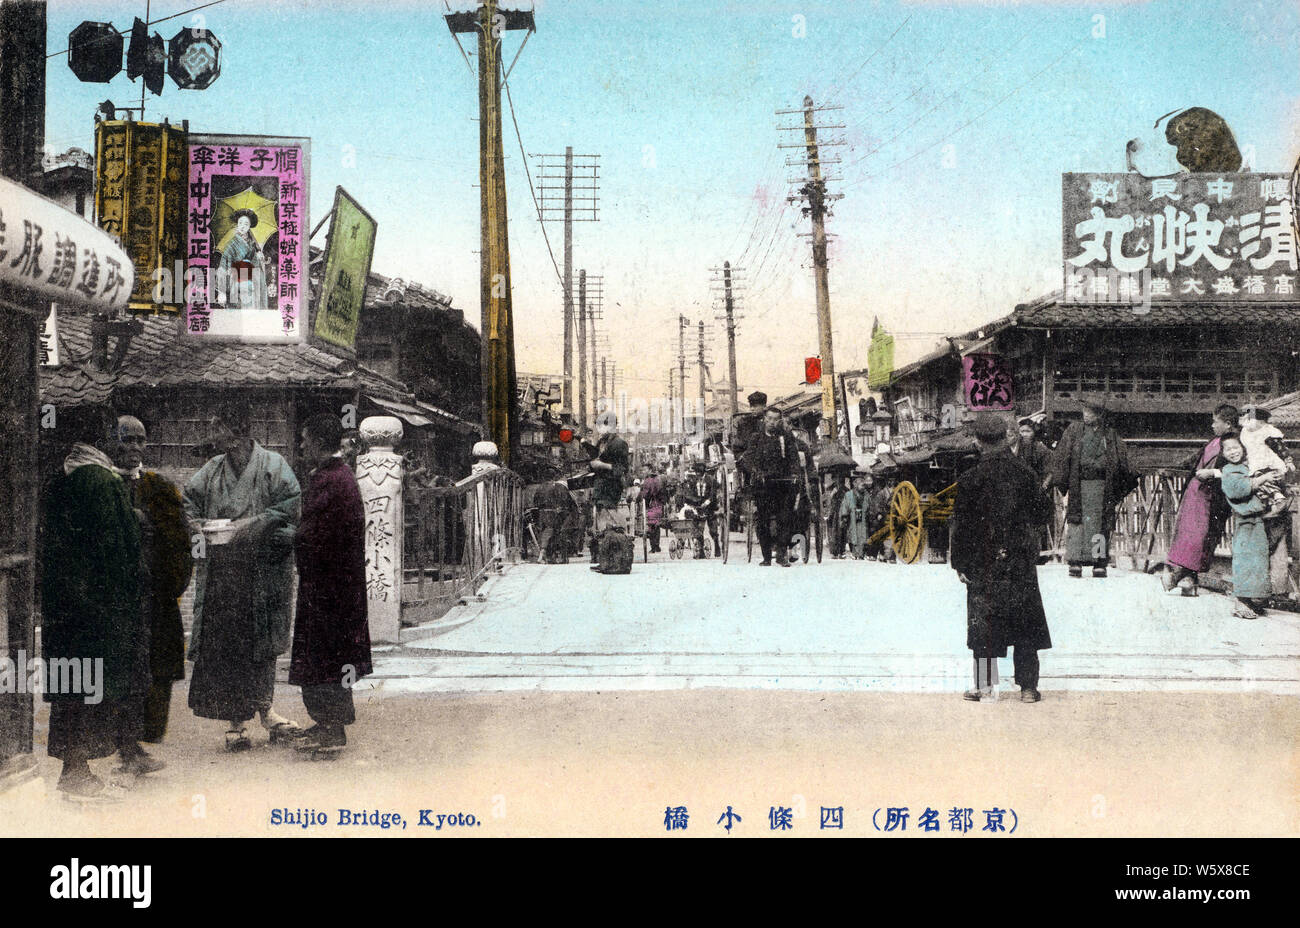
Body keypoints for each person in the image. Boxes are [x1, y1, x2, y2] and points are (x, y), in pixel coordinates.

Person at [42, 408, 153, 800]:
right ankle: (77, 775)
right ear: (103, 438)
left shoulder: (63, 475)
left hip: (66, 605)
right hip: (98, 610)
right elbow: (117, 552)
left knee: (72, 689)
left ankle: (74, 771)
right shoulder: (101, 481)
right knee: (92, 692)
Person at [183, 408, 303, 751]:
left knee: (263, 642)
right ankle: (236, 722)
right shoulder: (213, 468)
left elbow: (291, 504)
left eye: (216, 426)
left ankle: (266, 710)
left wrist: (256, 523)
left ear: (234, 431)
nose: (211, 433)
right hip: (225, 573)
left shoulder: (273, 465)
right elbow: (188, 501)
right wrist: (197, 527)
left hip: (263, 569)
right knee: (230, 647)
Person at [950, 413, 1053, 703]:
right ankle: (1028, 688)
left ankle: (984, 687)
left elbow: (961, 526)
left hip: (983, 560)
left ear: (979, 442)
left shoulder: (971, 478)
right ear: (1005, 438)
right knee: (1025, 624)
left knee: (983, 623)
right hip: (1019, 557)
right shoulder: (1024, 473)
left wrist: (960, 562)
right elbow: (1043, 514)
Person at [288, 414, 371, 754]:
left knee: (324, 656)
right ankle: (325, 723)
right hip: (336, 584)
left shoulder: (331, 480)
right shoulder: (337, 476)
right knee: (329, 656)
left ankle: (331, 730)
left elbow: (314, 533)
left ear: (319, 442)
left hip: (329, 587)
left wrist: (288, 538)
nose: (302, 446)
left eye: (305, 440)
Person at [111, 416, 194, 748]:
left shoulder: (159, 486)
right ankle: (125, 745)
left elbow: (180, 543)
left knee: (159, 667)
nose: (134, 448)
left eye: (140, 441)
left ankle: (145, 741)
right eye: (127, 440)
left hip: (156, 597)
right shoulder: (105, 485)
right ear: (112, 443)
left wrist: (169, 586)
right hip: (120, 598)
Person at [1050, 397, 1137, 578]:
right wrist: (1061, 479)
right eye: (1084, 411)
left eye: (1089, 412)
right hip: (1079, 483)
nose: (1085, 415)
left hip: (1101, 486)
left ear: (1099, 415)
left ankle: (1099, 562)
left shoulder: (1110, 435)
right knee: (1077, 523)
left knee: (1100, 524)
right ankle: (1075, 561)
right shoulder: (1074, 430)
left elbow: (1121, 461)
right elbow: (1062, 455)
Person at [1163, 404, 1238, 597]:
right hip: (1195, 493)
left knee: (1199, 538)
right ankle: (1186, 578)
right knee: (1187, 535)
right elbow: (1195, 459)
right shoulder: (1214, 440)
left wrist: (1213, 473)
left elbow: (1237, 469)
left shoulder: (1234, 443)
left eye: (1216, 422)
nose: (1212, 425)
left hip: (1211, 496)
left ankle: (1184, 577)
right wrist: (1170, 468)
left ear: (1228, 423)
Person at [1219, 434, 1274, 619]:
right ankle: (1241, 600)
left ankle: (1253, 599)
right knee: (1245, 558)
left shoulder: (1248, 465)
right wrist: (1261, 480)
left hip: (1258, 518)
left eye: (1236, 447)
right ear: (1223, 453)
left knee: (1258, 558)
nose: (1233, 452)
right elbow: (1237, 490)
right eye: (1228, 449)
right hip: (1244, 519)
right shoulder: (1228, 470)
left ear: (1242, 448)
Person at [740, 407, 800, 566]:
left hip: (783, 484)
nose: (772, 422)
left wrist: (794, 473)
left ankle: (781, 555)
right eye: (770, 419)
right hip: (763, 486)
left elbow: (794, 458)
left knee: (785, 519)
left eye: (776, 419)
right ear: (764, 420)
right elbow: (748, 459)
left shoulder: (785, 437)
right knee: (763, 521)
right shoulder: (756, 438)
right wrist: (756, 472)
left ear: (780, 421)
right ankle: (766, 556)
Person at [584, 413, 630, 561]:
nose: (599, 429)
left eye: (601, 425)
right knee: (602, 519)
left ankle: (614, 550)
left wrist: (601, 465)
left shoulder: (619, 443)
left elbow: (622, 469)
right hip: (600, 485)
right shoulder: (602, 443)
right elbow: (595, 458)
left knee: (609, 517)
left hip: (611, 486)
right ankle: (605, 555)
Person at [1238, 406, 1292, 514]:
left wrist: (1288, 461)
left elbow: (1280, 448)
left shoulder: (1268, 431)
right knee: (1256, 485)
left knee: (1263, 480)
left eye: (1250, 419)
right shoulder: (1245, 432)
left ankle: (1279, 497)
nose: (1247, 422)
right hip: (1254, 463)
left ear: (1261, 422)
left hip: (1268, 463)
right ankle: (1273, 505)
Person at [215, 208, 269, 309]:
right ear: (237, 224)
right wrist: (221, 291)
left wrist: (259, 257)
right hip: (237, 281)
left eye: (246, 224)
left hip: (252, 281)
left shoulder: (253, 244)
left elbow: (257, 265)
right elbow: (223, 264)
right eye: (240, 223)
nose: (242, 226)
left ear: (249, 227)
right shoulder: (232, 244)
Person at [684, 462, 721, 558]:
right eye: (696, 472)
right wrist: (693, 501)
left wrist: (707, 502)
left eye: (699, 472)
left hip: (710, 506)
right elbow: (690, 492)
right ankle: (701, 551)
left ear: (703, 472)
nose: (697, 474)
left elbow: (713, 494)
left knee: (713, 529)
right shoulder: (693, 480)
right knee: (698, 529)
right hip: (698, 506)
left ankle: (717, 545)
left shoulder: (710, 479)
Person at [839, 473, 873, 559]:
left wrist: (870, 514)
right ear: (855, 485)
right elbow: (845, 506)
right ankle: (854, 553)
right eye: (861, 485)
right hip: (852, 518)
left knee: (863, 535)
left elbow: (870, 506)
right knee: (853, 535)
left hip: (863, 518)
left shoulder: (866, 495)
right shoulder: (849, 494)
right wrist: (844, 516)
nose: (863, 487)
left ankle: (861, 554)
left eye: (863, 485)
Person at [729, 391, 768, 458]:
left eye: (755, 406)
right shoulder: (744, 422)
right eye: (751, 406)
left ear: (764, 406)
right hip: (749, 458)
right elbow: (738, 446)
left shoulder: (770, 421)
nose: (752, 409)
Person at [638, 464, 666, 553]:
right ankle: (657, 545)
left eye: (645, 470)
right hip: (659, 504)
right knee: (656, 526)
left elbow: (645, 495)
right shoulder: (659, 479)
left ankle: (653, 547)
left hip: (652, 505)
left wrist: (639, 499)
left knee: (650, 526)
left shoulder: (648, 481)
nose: (643, 472)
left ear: (650, 470)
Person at [824, 474, 848, 558]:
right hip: (833, 513)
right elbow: (825, 500)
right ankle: (834, 552)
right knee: (833, 532)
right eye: (836, 478)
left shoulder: (845, 490)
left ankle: (842, 551)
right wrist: (832, 494)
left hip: (842, 512)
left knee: (842, 532)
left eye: (840, 478)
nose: (838, 480)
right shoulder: (829, 489)